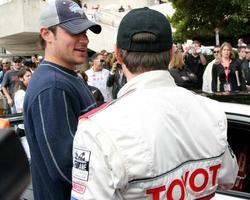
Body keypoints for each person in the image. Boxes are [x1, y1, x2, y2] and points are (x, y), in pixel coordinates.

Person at [71, 7, 238, 199]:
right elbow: (228, 178)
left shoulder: (97, 129)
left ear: (117, 54)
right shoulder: (211, 111)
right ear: (171, 53)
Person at [23, 0, 101, 199]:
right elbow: (65, 168)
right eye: (75, 32)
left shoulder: (67, 76)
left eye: (85, 32)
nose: (84, 40)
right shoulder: (52, 86)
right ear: (46, 34)